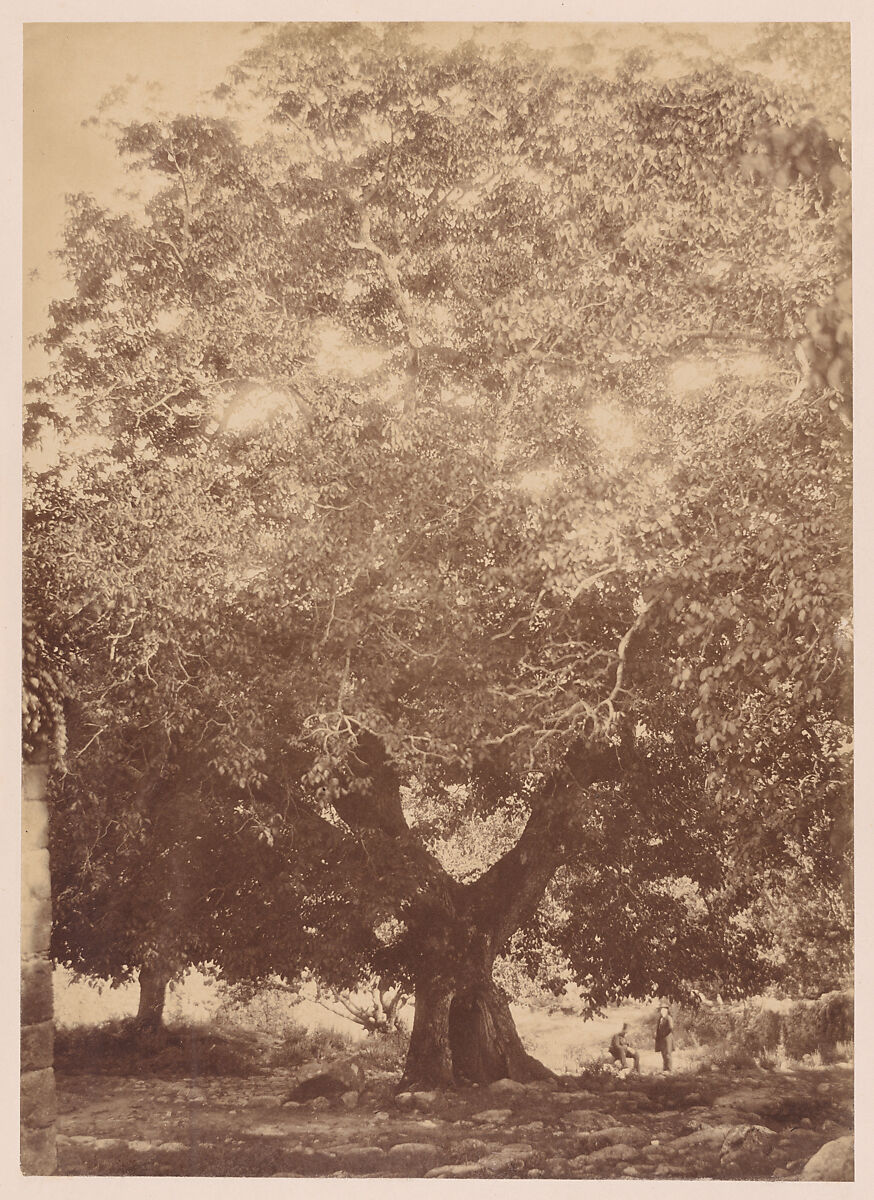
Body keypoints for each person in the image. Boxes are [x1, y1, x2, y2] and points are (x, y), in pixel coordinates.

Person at [655, 1005, 674, 1072]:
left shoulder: (669, 1018)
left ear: (667, 1011)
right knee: (663, 1053)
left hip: (667, 1038)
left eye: (664, 1010)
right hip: (661, 1039)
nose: (662, 1012)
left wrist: (664, 1034)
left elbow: (671, 1028)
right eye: (661, 1010)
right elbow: (658, 1028)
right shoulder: (660, 1019)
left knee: (668, 1053)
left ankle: (669, 1069)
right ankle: (665, 1068)